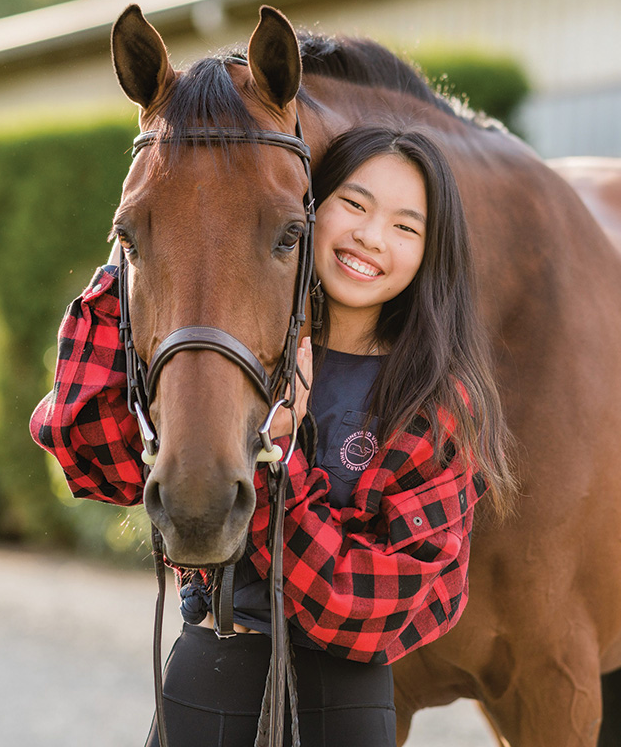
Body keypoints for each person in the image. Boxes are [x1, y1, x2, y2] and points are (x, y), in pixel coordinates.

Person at [31, 126, 513, 746]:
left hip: (339, 703)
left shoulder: (436, 400)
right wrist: (134, 250)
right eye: (355, 205)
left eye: (405, 226)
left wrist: (275, 458)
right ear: (309, 211)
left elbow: (374, 613)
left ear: (430, 253)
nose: (371, 237)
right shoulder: (229, 357)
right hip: (208, 670)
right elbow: (93, 453)